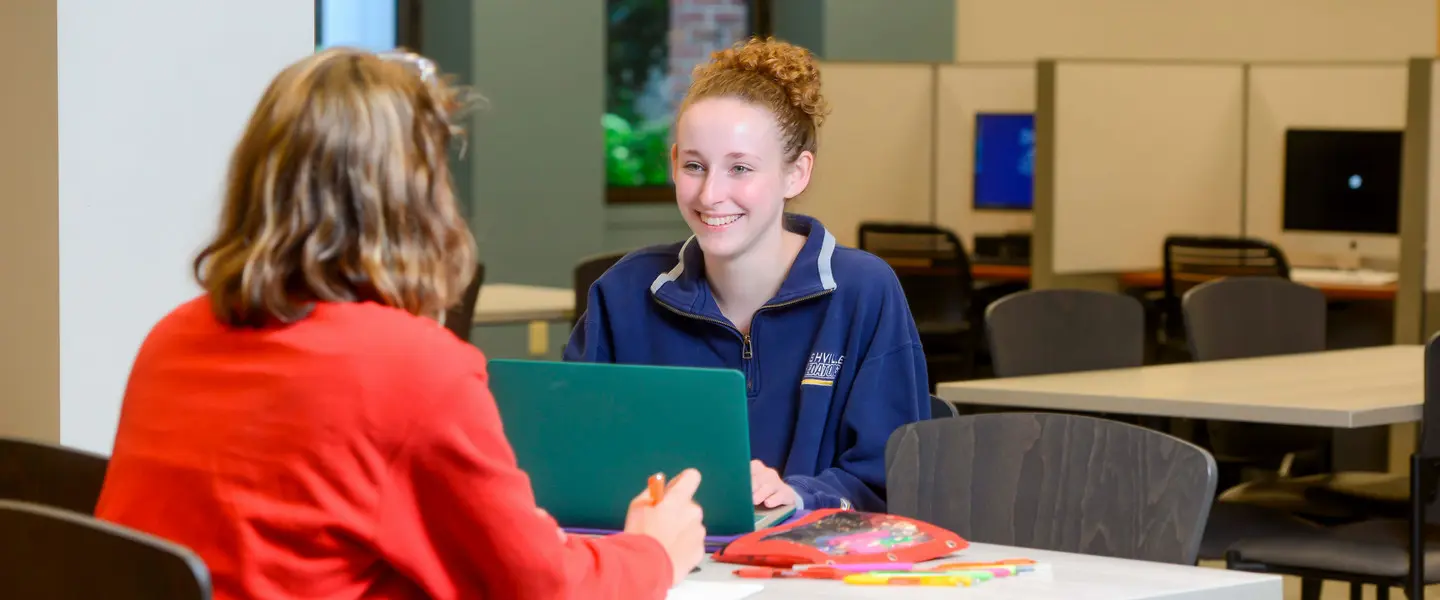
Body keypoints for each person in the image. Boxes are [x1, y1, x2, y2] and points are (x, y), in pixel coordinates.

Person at [94, 48, 705, 600]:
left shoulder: (173, 337)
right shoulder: (410, 368)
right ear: (415, 197)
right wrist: (653, 550)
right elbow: (541, 588)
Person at [564, 37, 930, 514]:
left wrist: (797, 495)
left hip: (813, 574)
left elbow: (893, 480)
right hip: (671, 568)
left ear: (796, 174)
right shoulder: (622, 292)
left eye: (740, 168)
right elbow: (572, 459)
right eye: (695, 166)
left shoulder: (864, 292)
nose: (711, 193)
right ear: (674, 164)